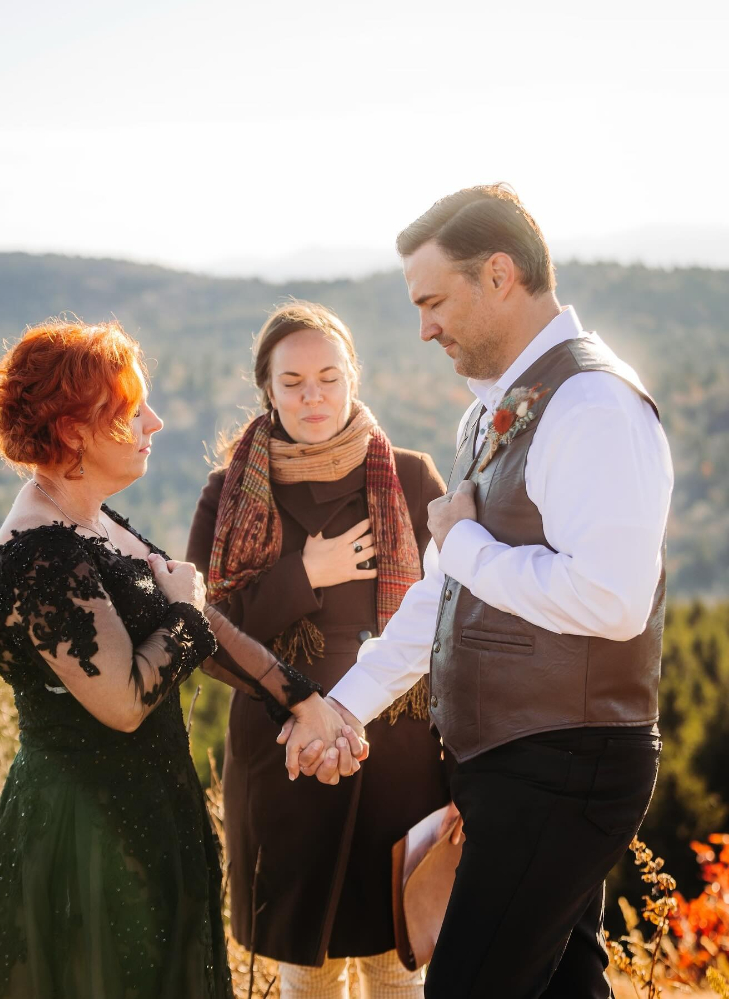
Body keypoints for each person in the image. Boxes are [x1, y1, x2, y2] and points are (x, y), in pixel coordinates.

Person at [287, 186, 674, 998]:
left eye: (433, 299)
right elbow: (441, 594)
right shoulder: (492, 412)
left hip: (567, 764)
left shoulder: (595, 405)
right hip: (508, 766)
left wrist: (463, 539)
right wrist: (345, 704)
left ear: (499, 274)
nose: (424, 326)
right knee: (564, 986)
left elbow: (612, 600)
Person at [0, 318, 359, 999]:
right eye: (131, 411)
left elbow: (195, 624)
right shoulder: (40, 555)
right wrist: (187, 609)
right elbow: (128, 701)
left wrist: (304, 698)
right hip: (86, 839)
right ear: (74, 431)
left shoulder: (90, 515)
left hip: (151, 818)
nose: (155, 423)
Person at [187, 301, 454, 998]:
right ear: (267, 389)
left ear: (353, 378)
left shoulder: (412, 476)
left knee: (399, 967)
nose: (313, 396)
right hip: (287, 757)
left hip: (397, 757)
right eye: (294, 381)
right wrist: (304, 573)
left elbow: (455, 618)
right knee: (308, 974)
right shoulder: (230, 492)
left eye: (329, 378)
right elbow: (203, 629)